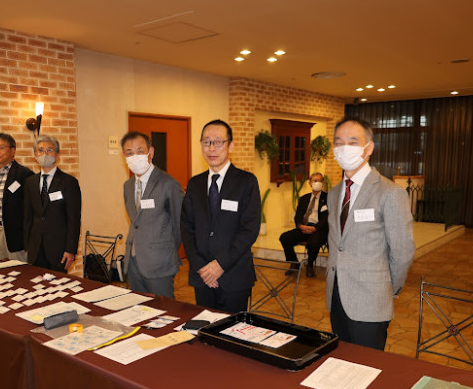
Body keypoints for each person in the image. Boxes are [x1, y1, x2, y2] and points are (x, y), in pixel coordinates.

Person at [326, 116, 415, 350]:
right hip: (336, 297)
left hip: (371, 299)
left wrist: (389, 287)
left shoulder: (390, 193)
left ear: (369, 148)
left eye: (353, 142)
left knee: (368, 366)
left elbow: (402, 250)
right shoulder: (334, 193)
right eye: (339, 142)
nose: (344, 148)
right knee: (341, 362)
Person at [181, 119, 261, 313]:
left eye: (218, 142)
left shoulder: (246, 182)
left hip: (234, 276)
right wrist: (201, 266)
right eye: (206, 142)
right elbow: (187, 228)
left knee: (233, 329)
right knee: (206, 327)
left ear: (230, 146)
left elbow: (249, 230)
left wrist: (220, 265)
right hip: (202, 276)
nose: (211, 148)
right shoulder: (195, 184)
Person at [121, 131, 184, 298]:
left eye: (140, 151)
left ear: (151, 152)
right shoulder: (127, 186)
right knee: (138, 308)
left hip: (159, 263)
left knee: (164, 309)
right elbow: (136, 222)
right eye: (129, 153)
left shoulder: (168, 183)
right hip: (133, 262)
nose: (135, 157)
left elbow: (180, 224)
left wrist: (165, 251)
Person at [24, 135, 82, 273]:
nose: (45, 154)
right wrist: (27, 246)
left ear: (57, 155)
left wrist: (70, 250)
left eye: (50, 150)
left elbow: (73, 219)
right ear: (35, 155)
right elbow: (27, 217)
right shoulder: (30, 182)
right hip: (36, 249)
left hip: (59, 250)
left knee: (59, 285)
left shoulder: (69, 182)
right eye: (40, 150)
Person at [0, 133, 34, 262]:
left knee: (19, 268)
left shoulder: (24, 174)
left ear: (13, 150)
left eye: (1, 148)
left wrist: (28, 238)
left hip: (14, 232)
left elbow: (31, 208)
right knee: (1, 267)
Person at [279, 172, 328, 278]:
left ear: (323, 183)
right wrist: (300, 226)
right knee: (284, 237)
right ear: (310, 183)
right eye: (315, 181)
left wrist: (314, 228)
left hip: (318, 229)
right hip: (304, 227)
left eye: (320, 181)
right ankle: (294, 263)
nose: (317, 183)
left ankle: (310, 264)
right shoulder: (304, 198)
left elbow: (326, 219)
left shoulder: (328, 198)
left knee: (314, 242)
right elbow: (298, 216)